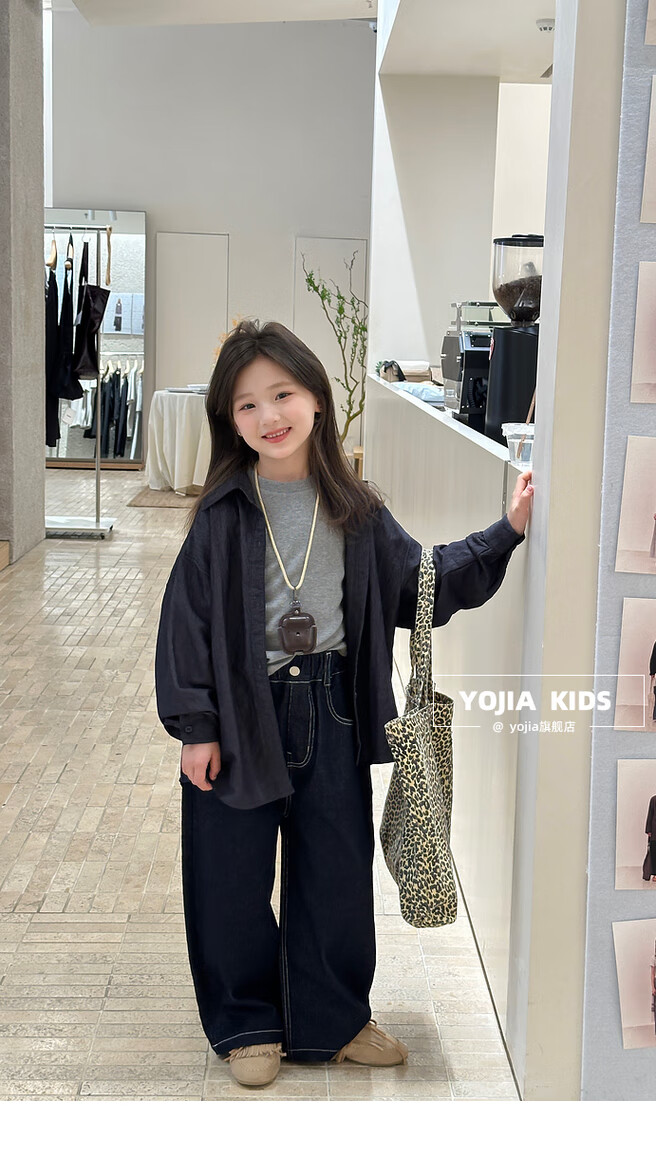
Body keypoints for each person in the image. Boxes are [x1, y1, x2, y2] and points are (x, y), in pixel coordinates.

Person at [154, 319, 533, 1089]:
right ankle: (248, 1022)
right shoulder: (223, 514)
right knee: (229, 873)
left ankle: (332, 1019)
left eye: (282, 394)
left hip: (332, 710)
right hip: (241, 713)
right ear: (230, 421)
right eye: (247, 405)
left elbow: (423, 583)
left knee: (335, 870)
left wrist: (507, 532)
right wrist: (197, 727)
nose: (269, 416)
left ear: (317, 400)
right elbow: (186, 625)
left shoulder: (356, 511)